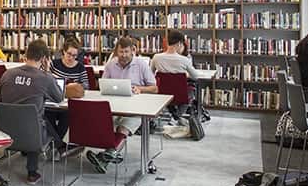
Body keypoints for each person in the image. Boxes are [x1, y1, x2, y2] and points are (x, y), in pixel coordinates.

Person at [0, 39, 64, 185]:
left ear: (26, 55)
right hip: (32, 136)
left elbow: (0, 101)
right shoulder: (45, 78)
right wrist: (47, 72)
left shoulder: (7, 74)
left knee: (32, 118)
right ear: (44, 58)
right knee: (36, 121)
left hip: (6, 134)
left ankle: (60, 146)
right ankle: (32, 172)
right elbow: (59, 98)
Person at [91, 37, 157, 172]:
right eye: (121, 52)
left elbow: (154, 88)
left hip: (135, 109)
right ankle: (106, 157)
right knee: (105, 123)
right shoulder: (110, 65)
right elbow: (102, 86)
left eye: (126, 52)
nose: (124, 55)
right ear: (116, 51)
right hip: (114, 107)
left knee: (124, 126)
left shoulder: (141, 64)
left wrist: (140, 89)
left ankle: (106, 155)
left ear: (132, 51)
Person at [46, 38, 88, 155]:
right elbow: (46, 79)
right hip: (54, 100)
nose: (72, 58)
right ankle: (59, 145)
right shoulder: (55, 64)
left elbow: (86, 86)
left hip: (69, 102)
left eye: (75, 55)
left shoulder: (80, 67)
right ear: (63, 51)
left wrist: (76, 85)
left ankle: (54, 144)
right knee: (47, 113)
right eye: (69, 54)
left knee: (68, 114)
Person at [151, 31, 198, 119]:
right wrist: (185, 74)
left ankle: (172, 113)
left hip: (162, 93)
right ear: (180, 43)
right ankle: (177, 116)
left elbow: (150, 75)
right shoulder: (184, 60)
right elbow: (195, 76)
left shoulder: (156, 57)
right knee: (191, 91)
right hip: (180, 95)